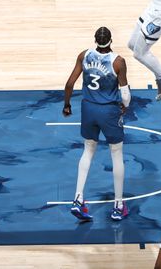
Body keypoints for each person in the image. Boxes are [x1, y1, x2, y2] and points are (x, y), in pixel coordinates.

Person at [63, 26, 130, 221]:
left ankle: (77, 198)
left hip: (88, 108)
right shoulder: (118, 61)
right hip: (108, 110)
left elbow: (69, 84)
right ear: (111, 41)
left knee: (88, 150)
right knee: (116, 154)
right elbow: (125, 93)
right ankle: (118, 205)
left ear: (95, 40)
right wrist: (124, 106)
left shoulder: (84, 55)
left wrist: (67, 105)